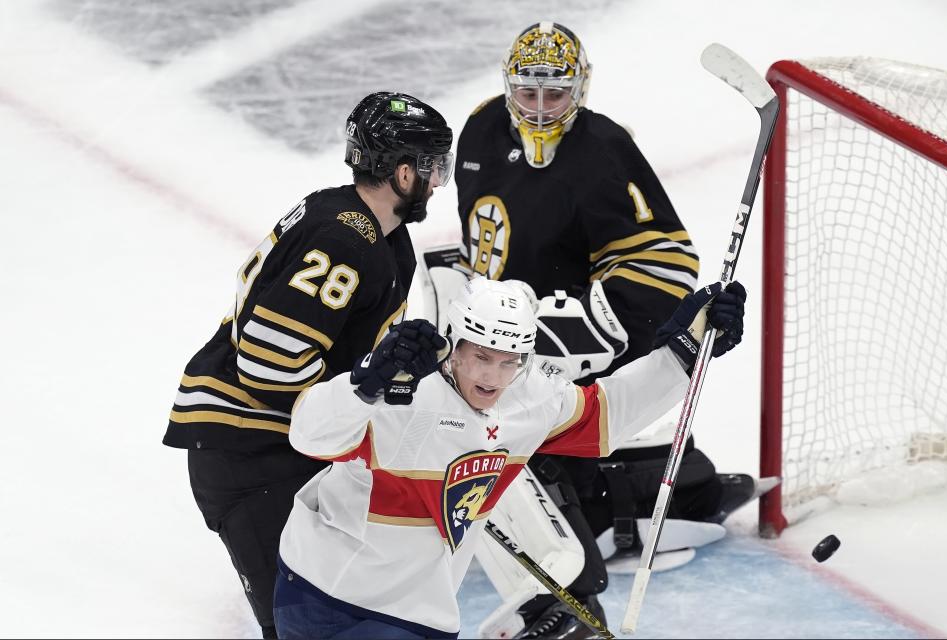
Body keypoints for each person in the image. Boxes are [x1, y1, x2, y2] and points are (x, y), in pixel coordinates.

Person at [441, 22, 764, 637]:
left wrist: (590, 325)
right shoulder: (482, 126)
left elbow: (666, 262)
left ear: (579, 89)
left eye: (554, 94)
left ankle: (605, 509)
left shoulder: (603, 150)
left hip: (575, 332)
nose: (538, 108)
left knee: (538, 436)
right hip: (495, 330)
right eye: (527, 92)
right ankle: (592, 502)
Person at [273, 277, 746, 639]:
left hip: (418, 609)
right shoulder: (403, 390)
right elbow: (309, 435)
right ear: (453, 343)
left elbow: (608, 415)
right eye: (480, 355)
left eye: (509, 359)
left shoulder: (529, 399)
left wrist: (682, 355)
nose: (493, 375)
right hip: (323, 591)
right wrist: (365, 383)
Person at [162, 91, 453, 638]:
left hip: (284, 447)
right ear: (402, 172)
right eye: (433, 166)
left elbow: (352, 364)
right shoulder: (343, 238)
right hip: (248, 450)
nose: (438, 181)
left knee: (344, 610)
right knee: (303, 627)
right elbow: (270, 364)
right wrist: (364, 388)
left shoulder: (383, 239)